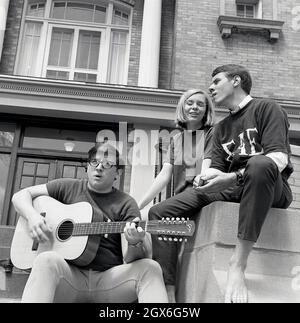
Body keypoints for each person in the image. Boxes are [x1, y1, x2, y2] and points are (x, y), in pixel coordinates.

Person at [148, 64, 293, 303]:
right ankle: (169, 289)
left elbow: (278, 159)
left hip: (268, 184)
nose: (210, 87)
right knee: (160, 211)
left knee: (259, 163)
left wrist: (233, 177)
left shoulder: (267, 108)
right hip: (231, 187)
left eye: (216, 81)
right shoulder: (219, 128)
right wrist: (205, 179)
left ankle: (238, 263)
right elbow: (216, 168)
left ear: (236, 81)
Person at [12, 142, 168, 303]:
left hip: (109, 281)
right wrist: (33, 217)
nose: (99, 167)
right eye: (94, 162)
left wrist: (134, 243)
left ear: (117, 173)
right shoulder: (67, 187)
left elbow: (130, 259)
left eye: (108, 164)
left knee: (151, 268)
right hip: (69, 278)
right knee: (45, 259)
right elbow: (20, 196)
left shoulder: (127, 203)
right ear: (87, 166)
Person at [138, 89, 215, 302]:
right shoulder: (177, 139)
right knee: (146, 220)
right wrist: (138, 204)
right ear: (183, 106)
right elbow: (164, 175)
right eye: (190, 103)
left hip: (200, 192)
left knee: (157, 213)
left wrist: (201, 180)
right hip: (181, 199)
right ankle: (154, 289)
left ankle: (168, 291)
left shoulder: (211, 134)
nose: (194, 107)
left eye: (200, 104)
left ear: (206, 110)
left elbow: (206, 168)